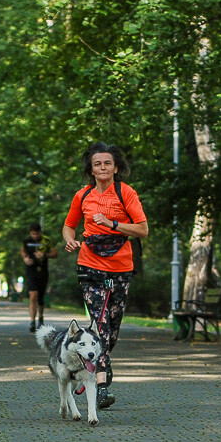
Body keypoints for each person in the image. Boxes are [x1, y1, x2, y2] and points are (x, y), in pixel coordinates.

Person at [62, 140, 148, 411]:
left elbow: (142, 229)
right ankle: (100, 387)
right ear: (90, 168)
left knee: (111, 333)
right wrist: (70, 240)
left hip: (121, 267)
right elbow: (68, 226)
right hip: (89, 265)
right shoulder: (82, 196)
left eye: (107, 163)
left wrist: (112, 223)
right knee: (100, 323)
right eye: (97, 163)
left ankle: (94, 367)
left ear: (116, 167)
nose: (102, 167)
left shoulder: (126, 193)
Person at [21, 222, 57, 332]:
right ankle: (32, 321)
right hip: (31, 270)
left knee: (40, 297)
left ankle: (40, 318)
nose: (35, 236)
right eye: (33, 234)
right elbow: (23, 251)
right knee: (33, 296)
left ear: (40, 232)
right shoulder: (27, 241)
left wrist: (45, 255)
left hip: (42, 271)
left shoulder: (46, 240)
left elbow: (55, 253)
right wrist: (25, 258)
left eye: (37, 234)